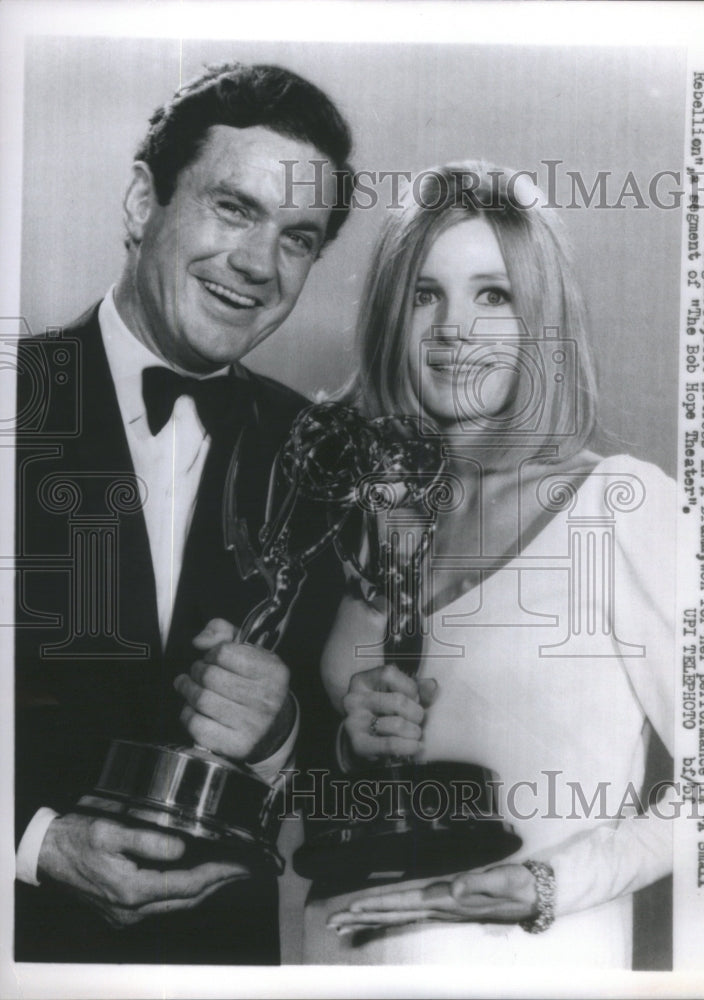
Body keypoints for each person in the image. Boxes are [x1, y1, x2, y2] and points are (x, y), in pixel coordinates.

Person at [14, 62, 352, 964]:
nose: (256, 264)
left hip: (221, 961)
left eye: (298, 238)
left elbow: (349, 770)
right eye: (234, 208)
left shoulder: (321, 453)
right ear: (141, 201)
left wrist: (281, 739)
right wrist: (36, 842)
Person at [303, 162, 675, 967]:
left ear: (541, 322)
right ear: (387, 317)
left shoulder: (619, 506)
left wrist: (549, 884)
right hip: (328, 960)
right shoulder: (356, 520)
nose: (452, 329)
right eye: (424, 293)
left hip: (524, 964)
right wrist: (349, 747)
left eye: (492, 295)